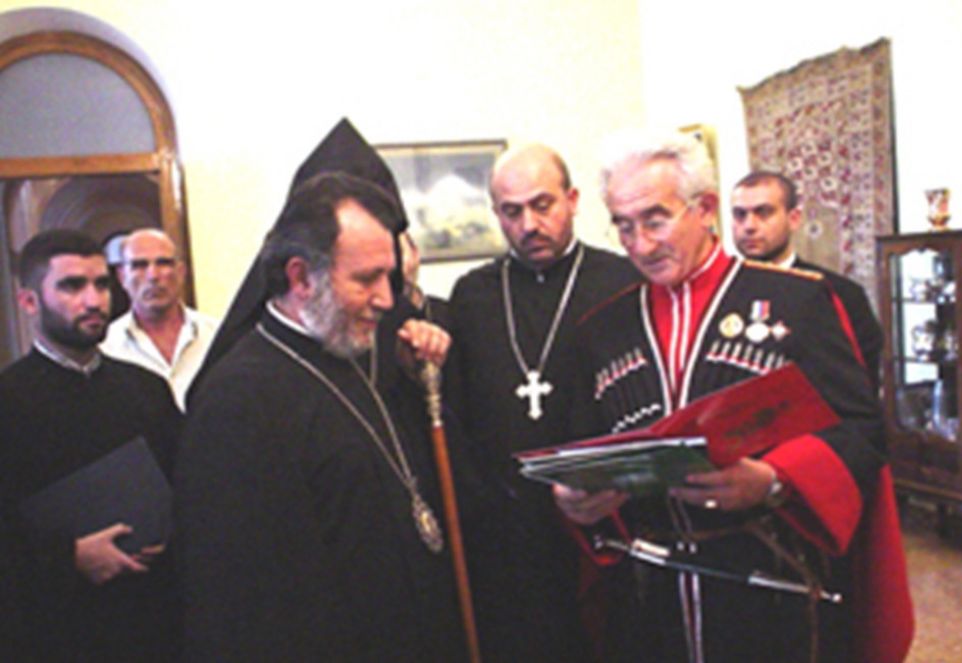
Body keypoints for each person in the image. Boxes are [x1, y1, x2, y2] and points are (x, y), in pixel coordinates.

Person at [553, 131, 913, 663]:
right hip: (650, 598)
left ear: (705, 209)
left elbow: (863, 432)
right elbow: (587, 445)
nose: (640, 245)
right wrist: (579, 496)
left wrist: (775, 479)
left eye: (655, 220)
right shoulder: (602, 329)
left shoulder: (800, 302)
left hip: (768, 585)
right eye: (624, 226)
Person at [175, 120, 464, 662]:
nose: (386, 300)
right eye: (366, 279)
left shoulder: (352, 357)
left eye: (390, 278)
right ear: (301, 277)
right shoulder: (237, 402)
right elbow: (253, 607)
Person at [446, 143, 639, 662]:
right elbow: (459, 415)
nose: (529, 224)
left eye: (542, 205)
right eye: (512, 212)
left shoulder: (622, 282)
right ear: (496, 214)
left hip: (601, 525)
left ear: (573, 199)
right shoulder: (472, 295)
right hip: (507, 536)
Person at [0, 229, 182, 661]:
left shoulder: (146, 389)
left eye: (101, 284)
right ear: (29, 302)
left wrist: (175, 531)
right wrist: (68, 558)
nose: (94, 300)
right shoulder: (7, 403)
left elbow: (191, 483)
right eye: (72, 286)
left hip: (157, 622)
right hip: (59, 633)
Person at [730, 171, 883, 392]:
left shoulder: (839, 293)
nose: (749, 226)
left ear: (793, 218)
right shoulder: (722, 292)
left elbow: (861, 385)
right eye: (739, 215)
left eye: (763, 213)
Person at [100, 228, 218, 410]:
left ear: (181, 272)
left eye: (163, 263)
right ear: (122, 276)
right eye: (139, 265)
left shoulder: (217, 336)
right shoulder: (106, 347)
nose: (153, 276)